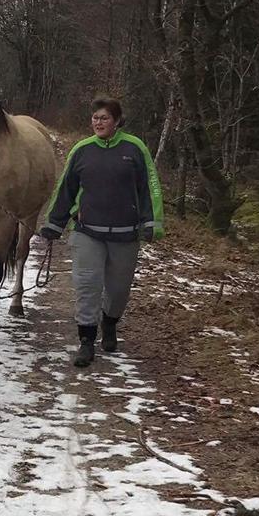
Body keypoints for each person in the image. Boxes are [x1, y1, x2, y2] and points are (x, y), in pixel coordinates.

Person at [39, 95, 163, 366]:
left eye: (104, 118)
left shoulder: (134, 148)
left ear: (117, 120)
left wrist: (152, 222)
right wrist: (54, 223)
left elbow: (149, 187)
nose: (98, 122)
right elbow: (66, 189)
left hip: (125, 234)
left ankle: (109, 322)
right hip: (87, 232)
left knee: (118, 290)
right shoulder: (82, 150)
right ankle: (86, 341)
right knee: (87, 286)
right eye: (95, 118)